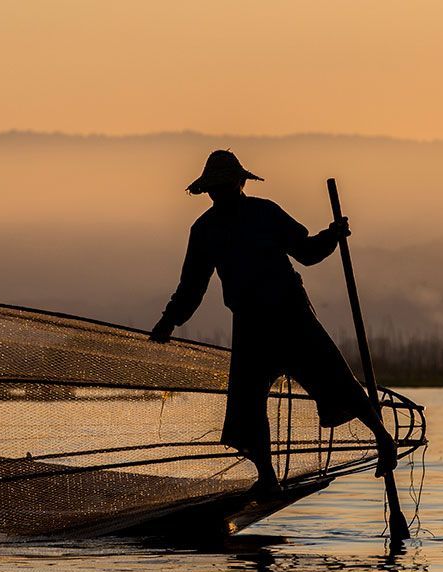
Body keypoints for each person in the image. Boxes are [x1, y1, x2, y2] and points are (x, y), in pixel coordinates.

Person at [149, 150, 397, 497]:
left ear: (239, 183)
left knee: (336, 379)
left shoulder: (264, 213)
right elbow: (191, 286)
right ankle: (267, 477)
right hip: (250, 324)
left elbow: (307, 252)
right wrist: (168, 321)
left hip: (290, 314)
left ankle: (384, 440)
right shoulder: (205, 230)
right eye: (214, 189)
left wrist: (332, 235)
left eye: (224, 186)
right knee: (247, 406)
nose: (219, 193)